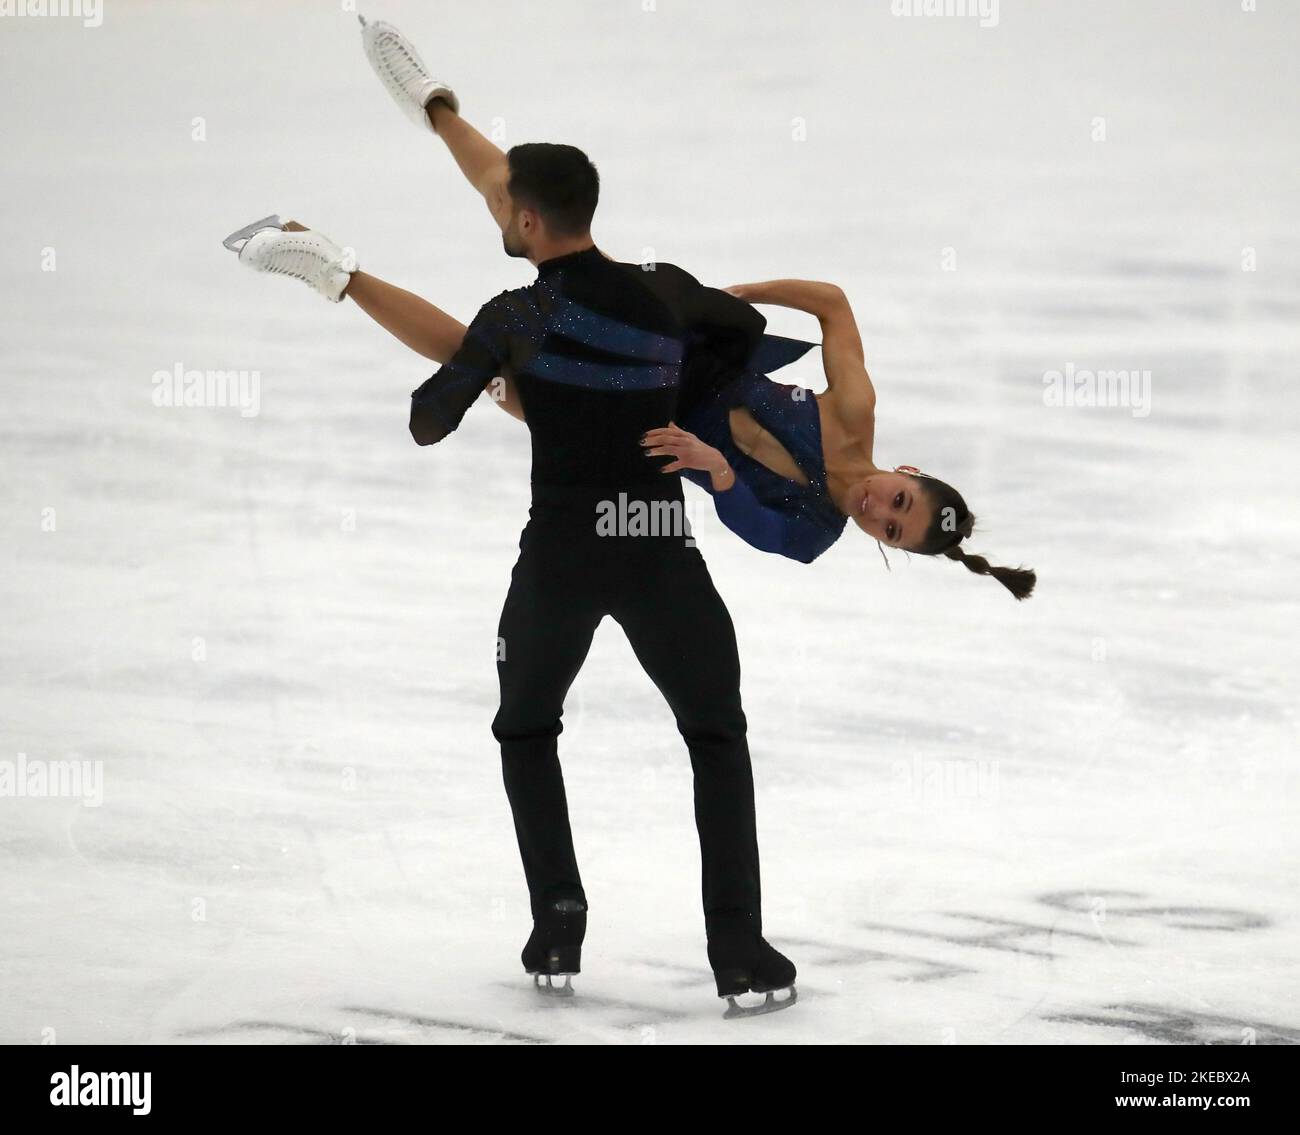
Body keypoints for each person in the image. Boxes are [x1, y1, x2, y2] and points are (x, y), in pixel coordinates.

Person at [224, 167, 798, 1015]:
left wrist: (502, 371)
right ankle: (740, 949)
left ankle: (557, 919)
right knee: (716, 733)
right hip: (655, 545)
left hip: (561, 555)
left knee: (527, 726)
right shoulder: (665, 291)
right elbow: (743, 329)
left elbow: (429, 421)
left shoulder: (514, 316)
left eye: (501, 206)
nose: (497, 213)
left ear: (529, 219)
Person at [352, 16, 1035, 593]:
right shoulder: (854, 415)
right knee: (541, 225)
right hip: (671, 348)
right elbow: (834, 304)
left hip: (634, 432)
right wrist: (749, 293)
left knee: (488, 369)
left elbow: (746, 519)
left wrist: (719, 469)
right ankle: (435, 105)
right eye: (900, 499)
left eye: (890, 528)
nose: (877, 508)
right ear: (909, 472)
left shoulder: (811, 534)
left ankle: (339, 274)